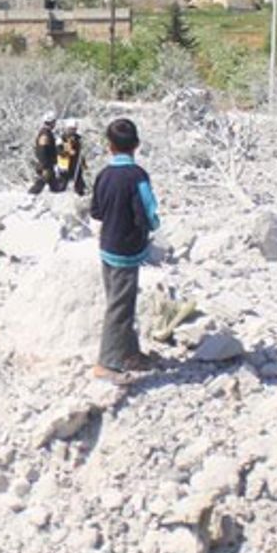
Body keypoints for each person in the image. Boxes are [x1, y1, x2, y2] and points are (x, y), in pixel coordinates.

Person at [90, 118, 160, 381]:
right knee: (120, 307)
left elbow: (96, 211)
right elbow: (149, 211)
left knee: (119, 300)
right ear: (137, 144)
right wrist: (152, 226)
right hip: (127, 249)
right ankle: (107, 363)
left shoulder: (103, 175)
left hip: (107, 244)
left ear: (109, 146)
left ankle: (130, 354)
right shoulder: (137, 176)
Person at [28, 112, 59, 194]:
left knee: (54, 185)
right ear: (51, 122)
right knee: (41, 181)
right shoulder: (45, 134)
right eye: (54, 122)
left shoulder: (48, 133)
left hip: (49, 164)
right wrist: (45, 165)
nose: (55, 124)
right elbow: (42, 150)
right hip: (46, 164)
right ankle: (31, 195)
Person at [54, 119, 86, 195]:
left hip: (76, 164)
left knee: (79, 183)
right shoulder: (61, 139)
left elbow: (81, 151)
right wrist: (68, 153)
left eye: (74, 129)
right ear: (67, 128)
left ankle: (80, 195)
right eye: (71, 129)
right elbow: (58, 151)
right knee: (62, 184)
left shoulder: (78, 138)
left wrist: (83, 163)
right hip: (64, 165)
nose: (73, 131)